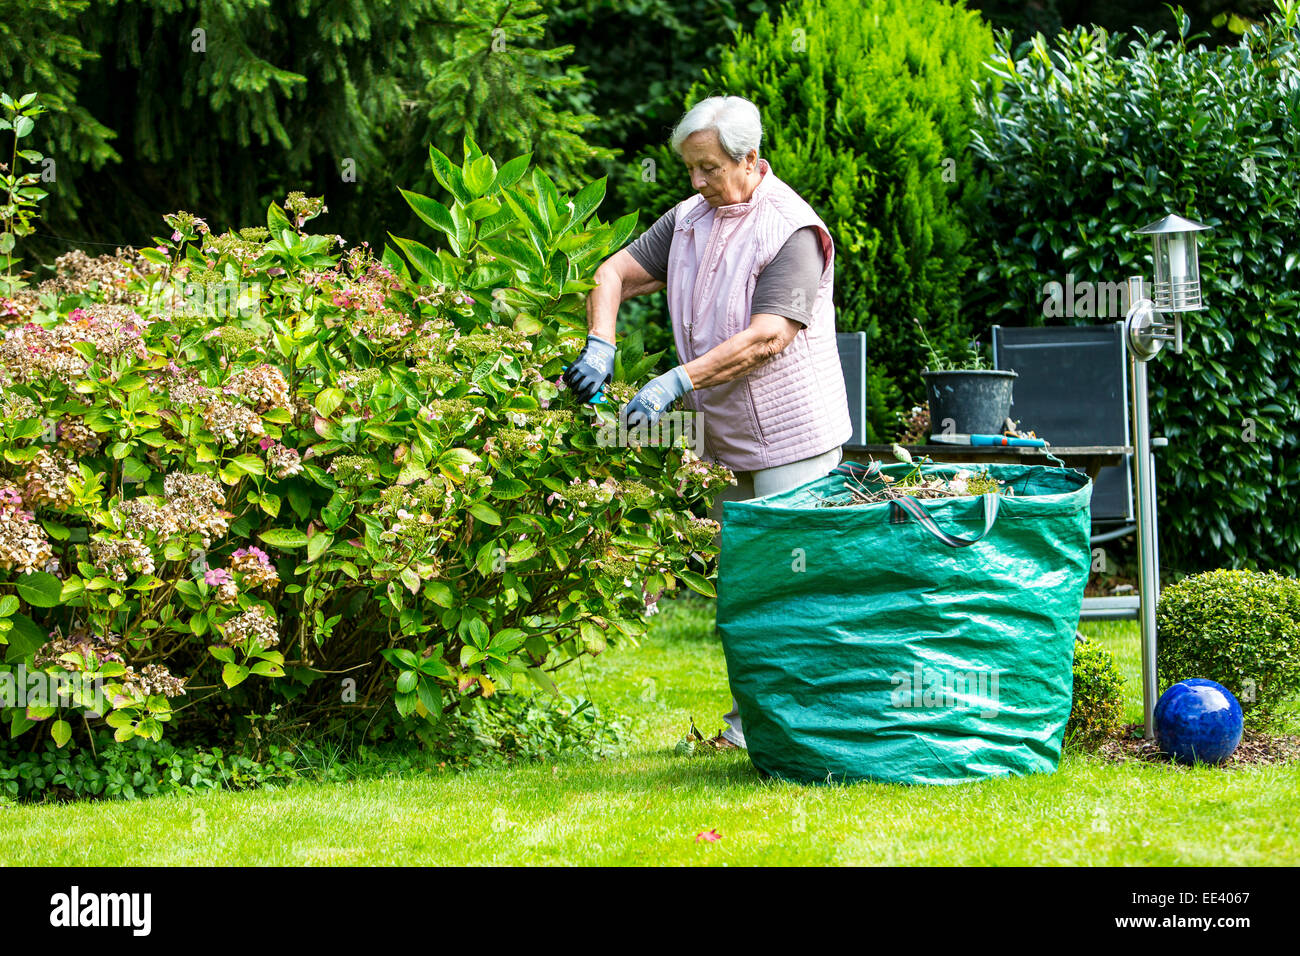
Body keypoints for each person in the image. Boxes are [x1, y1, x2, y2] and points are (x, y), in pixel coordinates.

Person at [564, 94, 852, 750]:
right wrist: (599, 344)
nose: (695, 183)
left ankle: (795, 732)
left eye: (708, 169)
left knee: (790, 588)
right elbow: (612, 274)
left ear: (750, 160)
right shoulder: (691, 219)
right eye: (689, 169)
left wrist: (677, 380)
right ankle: (749, 728)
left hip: (793, 438)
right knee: (744, 592)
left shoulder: (794, 232)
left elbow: (769, 336)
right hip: (724, 439)